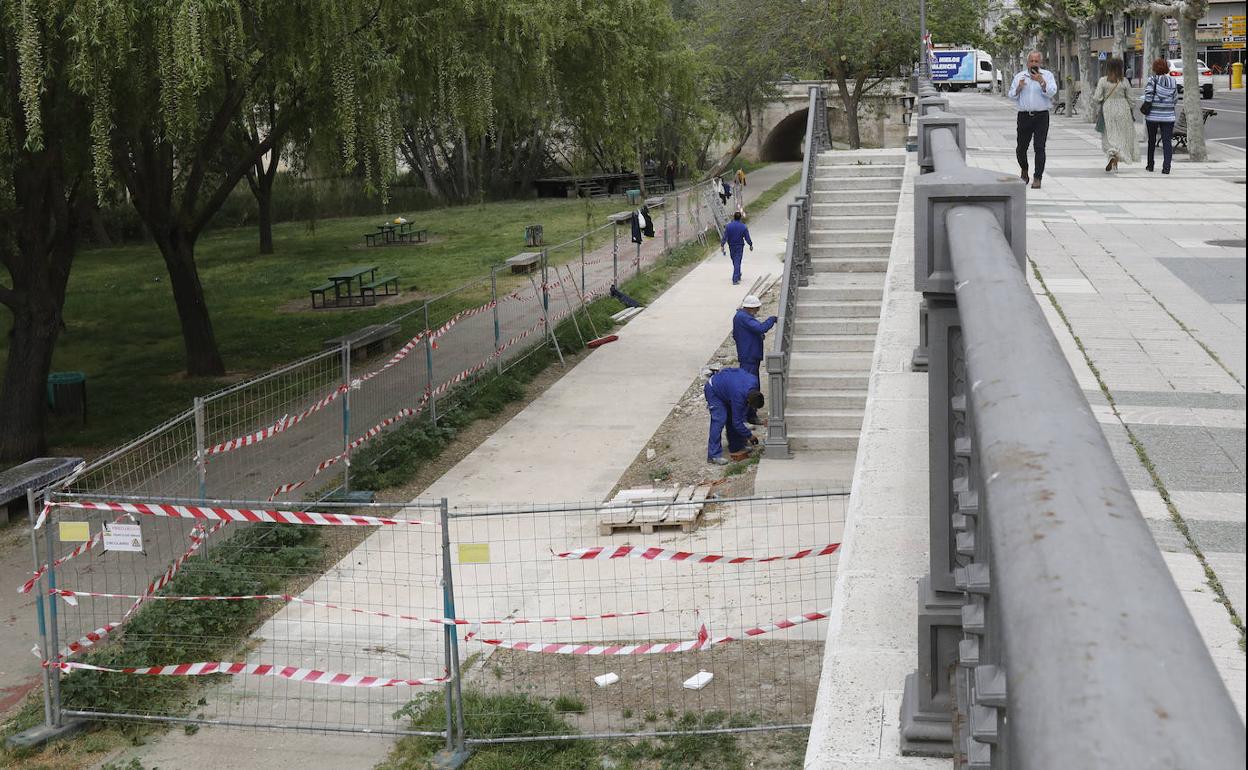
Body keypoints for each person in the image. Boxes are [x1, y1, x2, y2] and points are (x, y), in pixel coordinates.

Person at [1009, 50, 1058, 190]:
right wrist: (1018, 88)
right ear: (1027, 62)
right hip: (1024, 116)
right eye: (1032, 61)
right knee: (1021, 148)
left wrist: (1042, 82)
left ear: (1040, 63)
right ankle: (1024, 170)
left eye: (1037, 61)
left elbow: (1052, 92)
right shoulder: (1020, 76)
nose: (1034, 64)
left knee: (1039, 147)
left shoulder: (1047, 76)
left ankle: (1037, 177)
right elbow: (1011, 95)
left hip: (1041, 116)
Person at [704, 367, 764, 465]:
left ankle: (736, 446)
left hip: (727, 387)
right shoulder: (739, 397)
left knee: (732, 416)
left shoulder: (754, 381)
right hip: (713, 390)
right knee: (719, 419)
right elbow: (737, 422)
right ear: (748, 401)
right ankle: (713, 455)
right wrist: (750, 436)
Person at [733, 294, 777, 425]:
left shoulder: (740, 317)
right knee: (751, 386)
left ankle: (747, 413)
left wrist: (756, 337)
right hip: (749, 357)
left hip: (748, 355)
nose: (757, 311)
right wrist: (772, 319)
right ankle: (749, 415)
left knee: (749, 384)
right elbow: (760, 328)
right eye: (756, 309)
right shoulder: (744, 318)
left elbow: (738, 335)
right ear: (751, 308)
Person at [1093, 57, 1138, 172]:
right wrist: (1130, 108)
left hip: (1108, 110)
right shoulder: (1124, 81)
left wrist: (1103, 99)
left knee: (1109, 136)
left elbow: (1097, 98)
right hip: (1123, 110)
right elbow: (1132, 100)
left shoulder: (1103, 81)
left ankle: (1112, 155)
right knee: (1121, 137)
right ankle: (1116, 161)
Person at [1143, 57, 1178, 174]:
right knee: (1167, 142)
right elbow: (1175, 99)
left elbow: (1148, 96)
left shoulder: (1152, 80)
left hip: (1153, 115)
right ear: (1166, 68)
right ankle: (1166, 167)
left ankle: (1150, 165)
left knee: (1151, 140)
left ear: (1154, 68)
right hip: (1168, 116)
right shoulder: (1173, 81)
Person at [720, 211, 753, 285]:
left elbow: (725, 236)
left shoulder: (728, 226)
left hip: (731, 246)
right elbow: (747, 237)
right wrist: (750, 245)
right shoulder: (743, 227)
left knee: (735, 261)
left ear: (733, 217)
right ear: (740, 218)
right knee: (737, 261)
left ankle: (737, 275)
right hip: (739, 246)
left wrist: (722, 245)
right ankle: (735, 279)